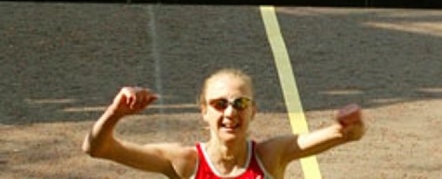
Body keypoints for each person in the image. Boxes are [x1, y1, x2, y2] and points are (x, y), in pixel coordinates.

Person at [82, 68, 365, 178]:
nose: (231, 113)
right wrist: (114, 113)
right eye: (220, 104)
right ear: (204, 111)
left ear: (253, 111)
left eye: (240, 103)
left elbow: (347, 134)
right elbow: (98, 148)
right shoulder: (185, 163)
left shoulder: (270, 156)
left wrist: (349, 124)